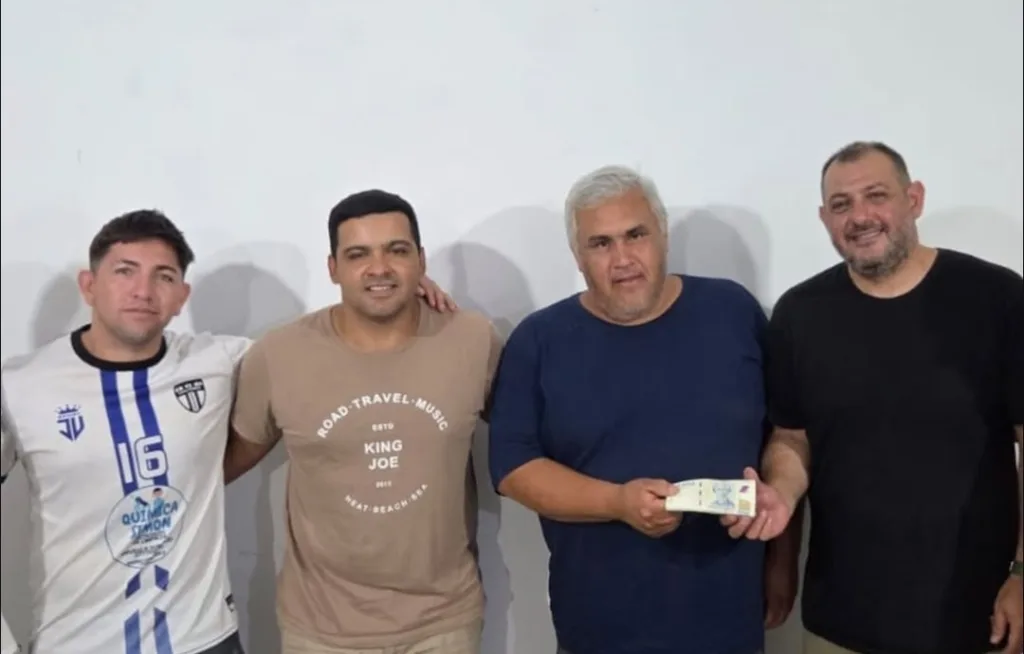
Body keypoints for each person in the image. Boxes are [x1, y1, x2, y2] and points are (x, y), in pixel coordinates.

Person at [0, 208, 454, 654]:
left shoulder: (218, 361)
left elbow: (319, 347)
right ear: (89, 285)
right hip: (74, 643)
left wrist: (393, 293)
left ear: (182, 295)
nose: (143, 290)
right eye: (124, 271)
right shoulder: (17, 387)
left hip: (204, 638)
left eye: (163, 276)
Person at [485, 165, 803, 654]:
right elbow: (512, 468)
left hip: (729, 619)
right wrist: (616, 502)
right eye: (600, 243)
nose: (623, 259)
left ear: (663, 234)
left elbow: (783, 433)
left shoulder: (732, 311)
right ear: (578, 256)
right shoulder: (539, 341)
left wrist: (782, 560)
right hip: (598, 628)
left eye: (636, 235)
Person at [724, 141, 1024, 654]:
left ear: (914, 199)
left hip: (978, 616)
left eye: (876, 196)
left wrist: (1022, 571)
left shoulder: (998, 298)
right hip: (841, 619)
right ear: (825, 218)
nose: (860, 216)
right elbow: (793, 438)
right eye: (841, 204)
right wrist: (782, 494)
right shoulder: (799, 314)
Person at [223, 189, 503, 654]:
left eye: (397, 250)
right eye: (358, 255)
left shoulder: (472, 339)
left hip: (444, 623)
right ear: (333, 267)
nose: (379, 268)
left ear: (420, 260)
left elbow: (529, 442)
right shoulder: (279, 354)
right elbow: (221, 466)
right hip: (321, 631)